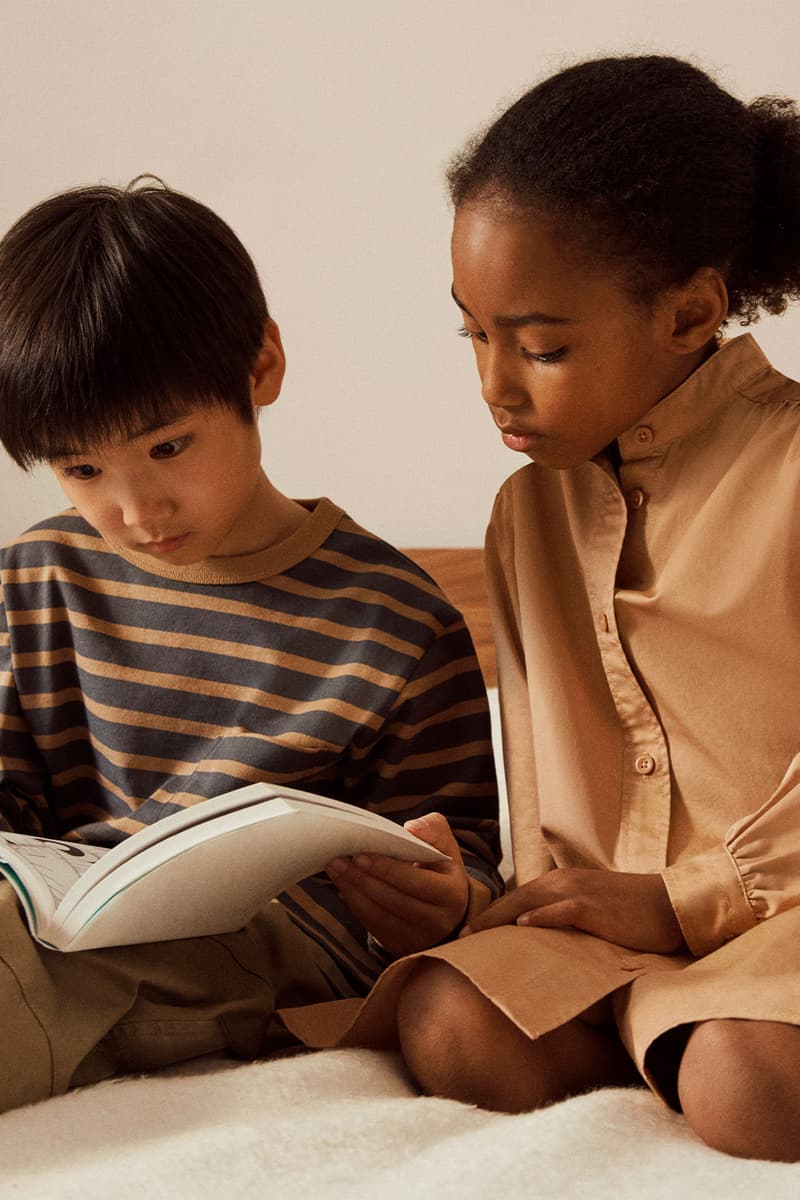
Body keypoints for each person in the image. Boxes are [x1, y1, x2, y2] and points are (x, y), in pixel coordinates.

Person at [281, 55, 800, 1162]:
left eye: (541, 346)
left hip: (782, 919)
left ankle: (685, 1036)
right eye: (471, 334)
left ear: (690, 310)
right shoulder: (526, 518)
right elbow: (553, 826)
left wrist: (684, 902)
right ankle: (657, 1025)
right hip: (627, 939)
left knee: (744, 1080)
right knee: (451, 1021)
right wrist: (465, 903)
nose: (494, 386)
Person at [0, 178, 502, 1112]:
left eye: (169, 448)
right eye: (81, 469)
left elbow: (463, 856)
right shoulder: (34, 582)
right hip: (53, 922)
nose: (135, 510)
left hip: (267, 950)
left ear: (261, 366)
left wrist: (446, 899)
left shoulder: (394, 622)